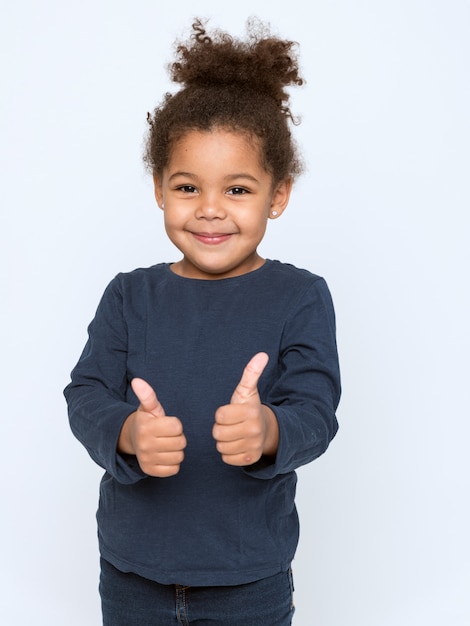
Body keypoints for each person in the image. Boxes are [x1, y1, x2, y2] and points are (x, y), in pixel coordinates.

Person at [64, 17, 341, 626]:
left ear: (278, 194)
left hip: (251, 582)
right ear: (161, 189)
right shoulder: (128, 295)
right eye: (188, 186)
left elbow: (317, 412)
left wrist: (268, 429)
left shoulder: (301, 296)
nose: (211, 209)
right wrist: (127, 435)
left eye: (238, 189)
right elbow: (84, 393)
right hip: (132, 574)